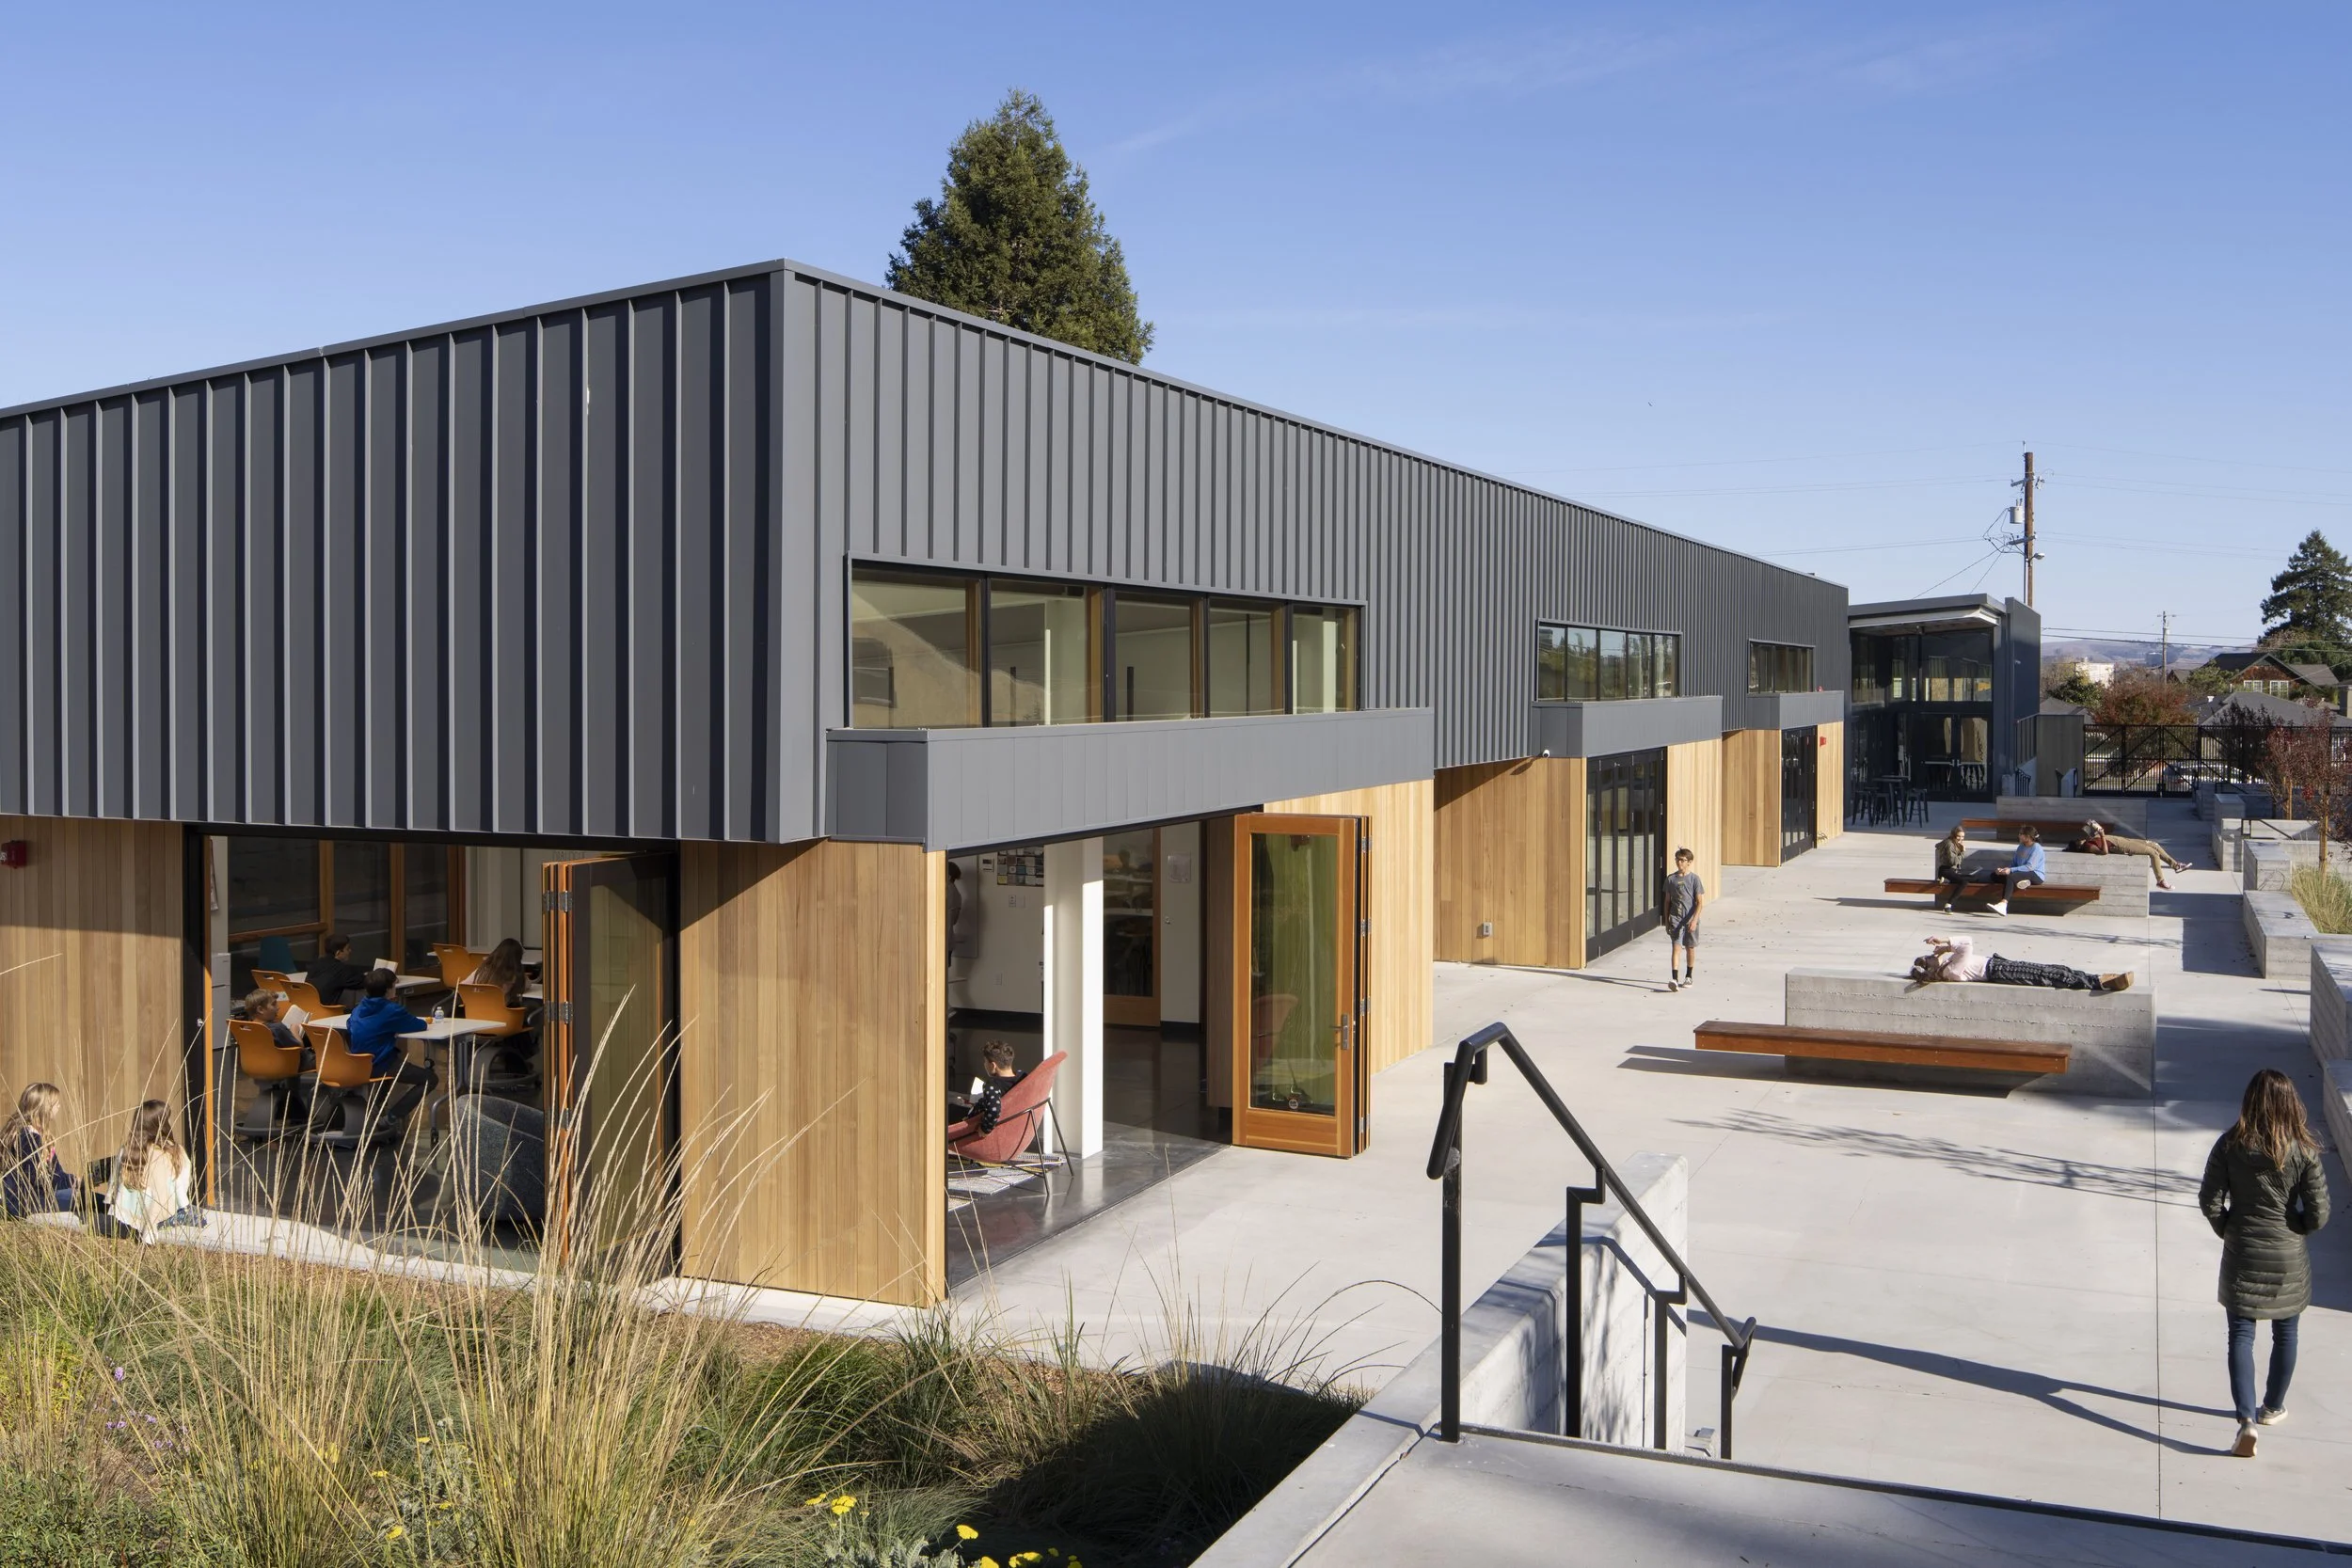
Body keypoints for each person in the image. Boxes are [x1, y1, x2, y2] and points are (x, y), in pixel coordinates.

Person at [2201, 1069, 2331, 1458]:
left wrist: (2229, 1228)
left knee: (2241, 1336)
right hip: (2288, 1254)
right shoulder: (2304, 1150)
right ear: (2291, 1104)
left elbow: (2209, 1200)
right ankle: (2273, 1406)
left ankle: (2245, 1420)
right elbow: (2320, 1212)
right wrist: (2297, 1228)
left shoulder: (2229, 1145)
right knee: (2286, 1333)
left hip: (2243, 1248)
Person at [343, 968, 437, 1124]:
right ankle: (392, 1117)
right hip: (381, 1063)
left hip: (359, 1063)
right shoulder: (392, 1010)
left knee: (388, 1068)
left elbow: (350, 1025)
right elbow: (419, 1025)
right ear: (388, 990)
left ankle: (376, 1109)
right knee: (430, 1079)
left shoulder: (358, 1009)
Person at [106, 1100, 200, 1243]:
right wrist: (185, 1207)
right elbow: (179, 1187)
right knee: (199, 1216)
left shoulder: (126, 1150)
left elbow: (113, 1185)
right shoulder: (172, 1151)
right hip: (159, 1218)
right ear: (162, 1123)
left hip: (125, 1217)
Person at [1914, 934, 2133, 991]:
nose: (1932, 955)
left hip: (1999, 966)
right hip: (1999, 971)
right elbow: (1967, 943)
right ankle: (2098, 983)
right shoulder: (1951, 970)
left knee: (2055, 970)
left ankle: (2095, 978)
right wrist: (1944, 943)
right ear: (1932, 968)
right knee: (2048, 976)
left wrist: (1944, 951)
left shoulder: (1947, 966)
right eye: (1929, 959)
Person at [1, 1083, 80, 1227]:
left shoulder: (26, 1133)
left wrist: (73, 1181)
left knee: (86, 1196)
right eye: (56, 1104)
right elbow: (39, 1179)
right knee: (92, 1200)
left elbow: (56, 1174)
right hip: (26, 1203)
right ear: (45, 1108)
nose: (59, 1107)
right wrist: (75, 1182)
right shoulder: (29, 1138)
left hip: (29, 1199)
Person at [2074, 820, 2189, 889]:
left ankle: (2176, 865)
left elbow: (2091, 832)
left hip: (2122, 840)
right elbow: (2104, 852)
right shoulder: (2088, 846)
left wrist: (2092, 825)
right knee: (2152, 852)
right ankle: (2160, 881)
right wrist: (2102, 834)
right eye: (2077, 841)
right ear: (2078, 846)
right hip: (2120, 846)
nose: (2079, 839)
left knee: (2154, 844)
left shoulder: (2089, 840)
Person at [949, 1039, 1025, 1133]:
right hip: (1011, 1123)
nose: (984, 1064)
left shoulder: (992, 1085)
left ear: (993, 1065)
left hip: (972, 1124)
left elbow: (994, 1110)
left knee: (950, 1110)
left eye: (985, 1062)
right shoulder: (1022, 1077)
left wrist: (985, 1129)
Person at [1663, 847, 1706, 990]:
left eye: (1682, 860)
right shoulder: (1671, 879)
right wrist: (1667, 920)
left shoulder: (1695, 879)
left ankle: (1688, 976)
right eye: (1677, 859)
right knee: (1676, 947)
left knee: (1690, 948)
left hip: (1690, 920)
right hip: (1676, 919)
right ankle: (1674, 978)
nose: (1679, 862)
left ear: (1689, 862)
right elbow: (1667, 901)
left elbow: (1700, 902)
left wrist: (1694, 920)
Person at [1984, 825, 2047, 914]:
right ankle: (2024, 882)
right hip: (2021, 874)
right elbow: (2014, 864)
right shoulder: (2021, 847)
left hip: (2036, 875)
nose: (2019, 836)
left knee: (2010, 877)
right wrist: (2004, 870)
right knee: (1994, 876)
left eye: (2021, 834)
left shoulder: (2036, 848)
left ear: (2028, 836)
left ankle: (2003, 904)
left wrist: (2011, 871)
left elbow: (2030, 867)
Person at [1931, 825, 1991, 910]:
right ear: (1953, 835)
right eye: (1958, 836)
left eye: (1962, 837)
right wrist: (1962, 852)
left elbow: (1937, 845)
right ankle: (1949, 904)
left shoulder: (1950, 842)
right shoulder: (1950, 844)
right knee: (1964, 882)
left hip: (1951, 871)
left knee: (1973, 878)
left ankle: (1945, 879)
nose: (1960, 839)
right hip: (1946, 870)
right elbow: (1953, 862)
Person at [305, 932, 370, 1007]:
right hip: (326, 1011)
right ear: (338, 953)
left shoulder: (316, 963)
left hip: (308, 1007)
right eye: (347, 949)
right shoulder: (341, 970)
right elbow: (364, 982)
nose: (350, 951)